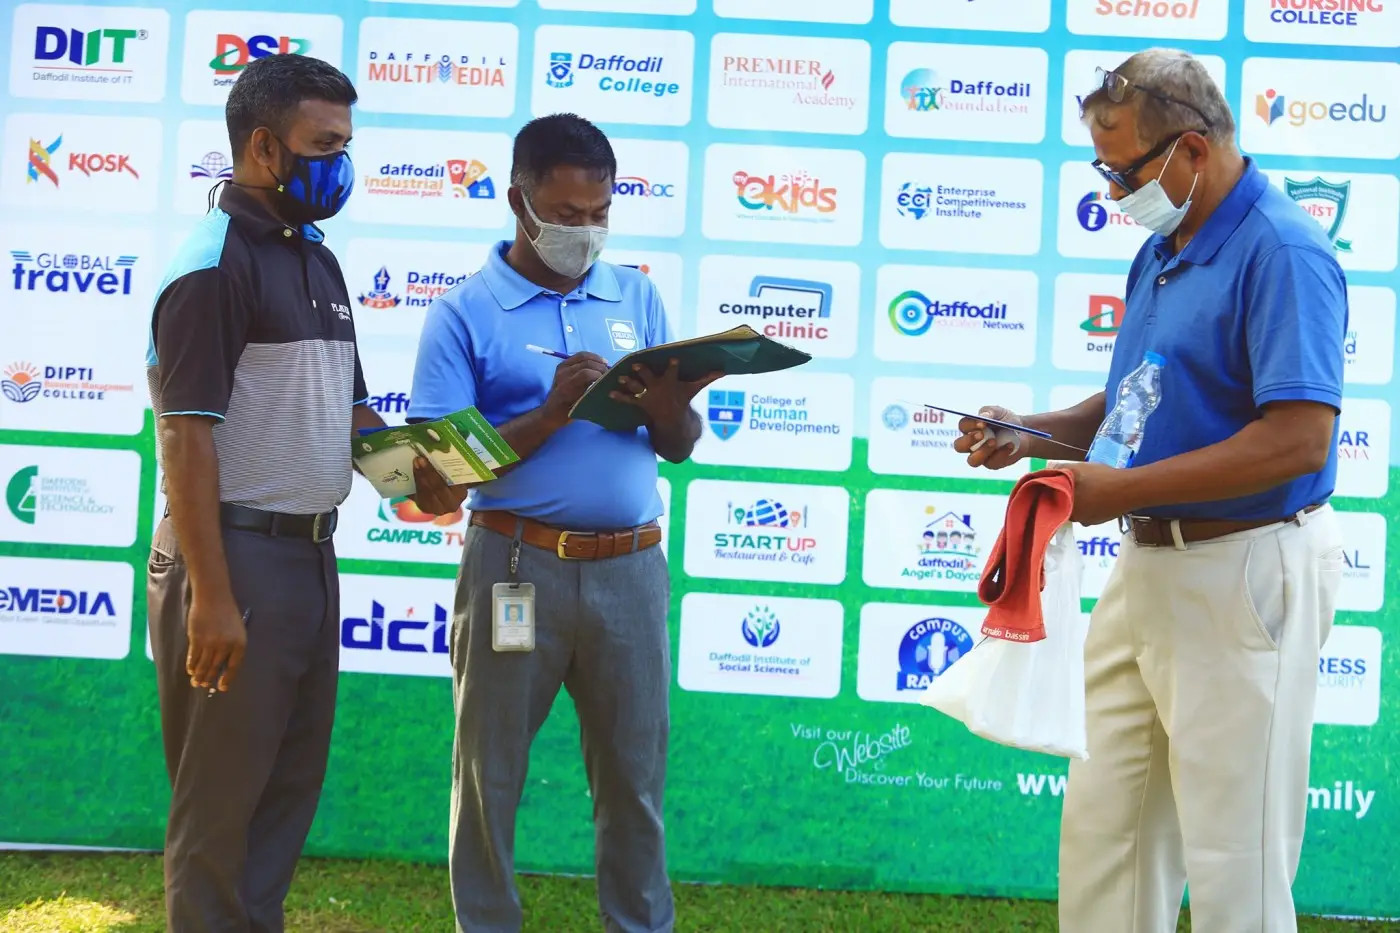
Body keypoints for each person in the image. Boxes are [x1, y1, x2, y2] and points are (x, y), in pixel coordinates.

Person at [953, 48, 1347, 933]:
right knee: (1109, 834)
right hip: (1147, 566)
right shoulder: (1165, 245)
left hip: (1245, 567)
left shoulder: (1283, 250)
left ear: (1192, 150)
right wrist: (1032, 432)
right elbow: (1134, 400)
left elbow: (1298, 439)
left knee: (1236, 862)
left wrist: (1117, 488)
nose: (1112, 191)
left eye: (1123, 170)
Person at [406, 113, 720, 933]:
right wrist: (551, 413)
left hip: (632, 568)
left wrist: (669, 406)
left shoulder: (636, 295)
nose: (586, 230)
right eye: (567, 213)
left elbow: (678, 446)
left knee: (634, 778)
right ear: (519, 201)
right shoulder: (463, 312)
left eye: (600, 212)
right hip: (515, 566)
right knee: (489, 774)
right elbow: (438, 472)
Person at [145, 54, 383, 932]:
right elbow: (185, 434)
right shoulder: (212, 264)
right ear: (263, 147)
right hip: (231, 559)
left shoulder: (317, 258)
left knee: (284, 796)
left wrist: (420, 472)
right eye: (324, 146)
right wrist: (210, 598)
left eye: (346, 145)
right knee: (219, 812)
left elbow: (349, 412)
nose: (341, 165)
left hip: (310, 558)